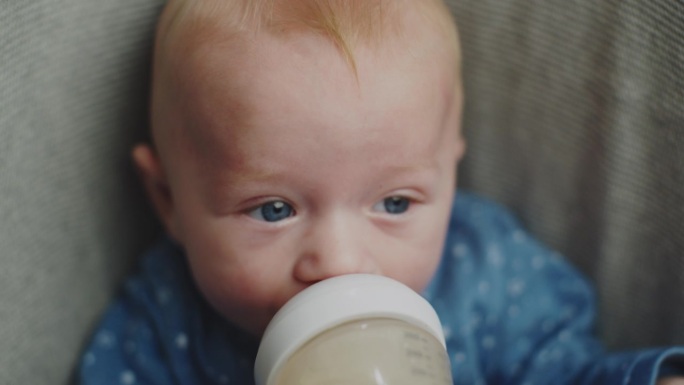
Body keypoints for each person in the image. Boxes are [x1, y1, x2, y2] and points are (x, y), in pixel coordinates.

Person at [78, 0, 684, 384]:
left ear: (449, 170)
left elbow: (567, 373)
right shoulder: (161, 328)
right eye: (273, 209)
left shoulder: (488, 274)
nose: (341, 263)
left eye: (395, 203)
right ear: (167, 199)